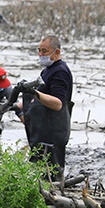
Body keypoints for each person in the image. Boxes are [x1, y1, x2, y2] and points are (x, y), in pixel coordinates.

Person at [16, 36, 74, 181]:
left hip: (53, 131)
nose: (41, 54)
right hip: (43, 130)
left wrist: (34, 92)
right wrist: (15, 106)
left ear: (57, 52)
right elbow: (40, 98)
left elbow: (58, 103)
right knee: (39, 170)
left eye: (44, 51)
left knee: (51, 174)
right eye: (39, 51)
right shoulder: (48, 70)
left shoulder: (60, 71)